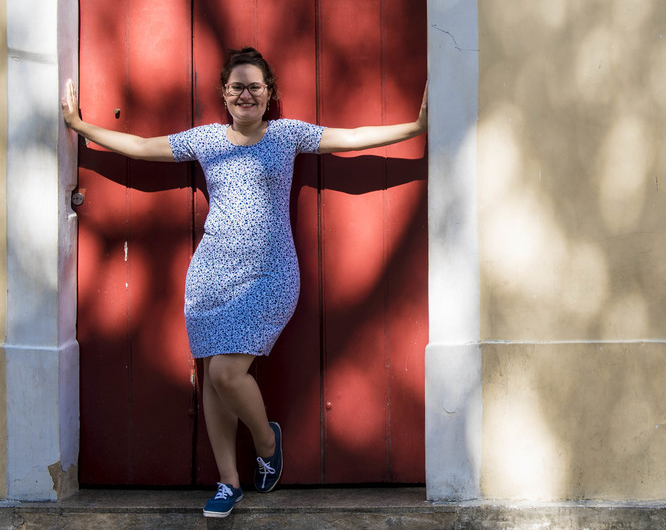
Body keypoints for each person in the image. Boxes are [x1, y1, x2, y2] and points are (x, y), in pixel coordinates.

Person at [61, 47, 427, 518]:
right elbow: (143, 145)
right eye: (236, 87)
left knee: (224, 373)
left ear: (269, 93)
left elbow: (352, 138)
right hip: (211, 277)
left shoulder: (288, 134)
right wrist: (79, 126)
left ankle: (265, 439)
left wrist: (415, 128)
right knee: (213, 384)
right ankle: (228, 482)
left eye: (255, 86)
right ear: (224, 94)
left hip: (271, 275)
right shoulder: (206, 140)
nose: (245, 94)